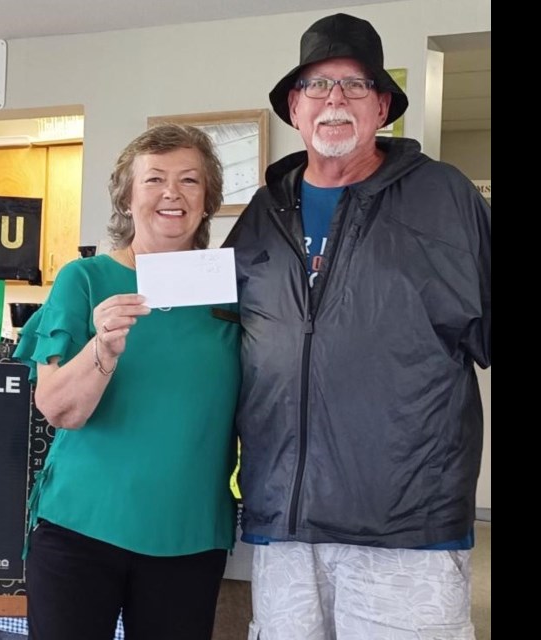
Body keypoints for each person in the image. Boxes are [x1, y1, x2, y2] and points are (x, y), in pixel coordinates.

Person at [222, 13, 491, 639]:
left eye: (354, 85)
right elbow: (215, 337)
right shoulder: (265, 213)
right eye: (317, 85)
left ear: (383, 107)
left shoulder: (445, 199)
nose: (334, 99)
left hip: (404, 525)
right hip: (284, 523)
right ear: (295, 107)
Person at [14, 123, 241, 640]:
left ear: (208, 201)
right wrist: (102, 349)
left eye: (189, 181)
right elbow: (57, 408)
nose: (171, 194)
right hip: (81, 528)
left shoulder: (232, 291)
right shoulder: (87, 279)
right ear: (126, 197)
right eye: (154, 180)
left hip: (188, 534)